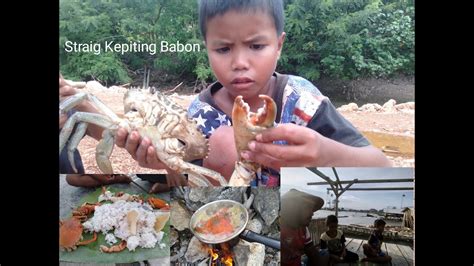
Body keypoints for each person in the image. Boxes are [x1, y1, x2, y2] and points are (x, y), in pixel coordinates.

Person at [115, 0, 391, 185]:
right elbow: (185, 180)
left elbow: (382, 166)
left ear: (279, 45)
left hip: (293, 209)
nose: (239, 63)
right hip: (224, 210)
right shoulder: (198, 117)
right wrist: (162, 161)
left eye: (256, 46)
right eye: (223, 49)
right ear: (207, 48)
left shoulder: (301, 101)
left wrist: (324, 153)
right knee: (223, 141)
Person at [281, 189, 329, 266]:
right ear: (293, 207)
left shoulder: (303, 229)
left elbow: (312, 253)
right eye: (308, 207)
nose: (312, 213)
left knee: (325, 253)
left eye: (312, 209)